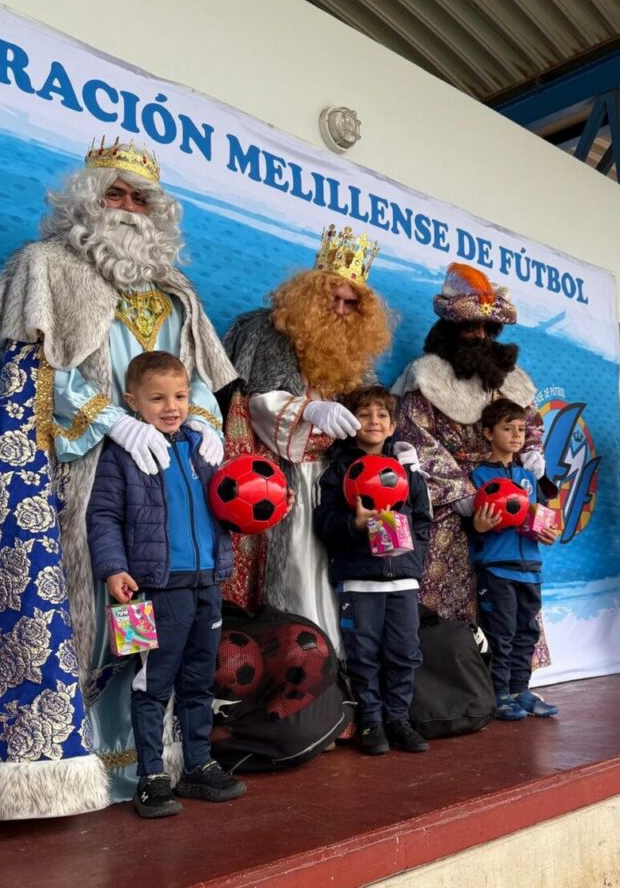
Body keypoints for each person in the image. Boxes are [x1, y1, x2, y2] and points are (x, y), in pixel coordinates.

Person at [0, 138, 237, 820]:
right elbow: (38, 377)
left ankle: (158, 764)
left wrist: (204, 423)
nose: (129, 209)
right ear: (86, 200)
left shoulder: (177, 294)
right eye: (116, 194)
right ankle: (78, 766)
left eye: (142, 200)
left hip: (172, 485)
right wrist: (112, 421)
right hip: (88, 477)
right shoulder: (44, 266)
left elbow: (197, 377)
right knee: (92, 616)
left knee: (165, 643)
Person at [86, 351, 245, 818]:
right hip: (155, 589)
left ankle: (198, 764)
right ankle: (151, 777)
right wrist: (113, 568)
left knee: (199, 682)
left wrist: (266, 499)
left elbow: (232, 503)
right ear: (133, 401)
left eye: (179, 396)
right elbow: (104, 516)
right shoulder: (123, 454)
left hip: (207, 584)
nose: (171, 406)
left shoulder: (201, 448)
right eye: (158, 398)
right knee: (151, 684)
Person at [223, 224, 394, 652]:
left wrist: (388, 451)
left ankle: (341, 668)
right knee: (296, 571)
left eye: (349, 303)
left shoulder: (355, 355)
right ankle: (302, 660)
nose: (339, 309)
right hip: (281, 475)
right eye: (330, 298)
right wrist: (306, 409)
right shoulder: (264, 331)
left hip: (334, 480)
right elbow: (251, 402)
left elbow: (367, 416)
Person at [392, 263, 551, 667]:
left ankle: (513, 685)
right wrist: (461, 492)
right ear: (449, 331)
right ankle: (458, 686)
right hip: (452, 508)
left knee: (517, 596)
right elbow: (413, 437)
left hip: (510, 504)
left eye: (486, 329)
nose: (479, 336)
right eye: (470, 328)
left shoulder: (510, 379)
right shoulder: (423, 376)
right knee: (447, 590)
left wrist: (532, 451)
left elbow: (528, 423)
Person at [314, 386, 432, 755]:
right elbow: (324, 523)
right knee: (363, 654)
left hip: (403, 581)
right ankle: (370, 722)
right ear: (350, 422)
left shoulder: (408, 473)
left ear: (394, 425)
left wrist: (413, 561)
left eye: (382, 415)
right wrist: (355, 523)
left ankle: (398, 719)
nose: (374, 421)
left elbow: (424, 522)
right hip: (358, 580)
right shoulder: (336, 472)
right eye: (364, 414)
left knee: (403, 651)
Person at [468, 399, 559, 720]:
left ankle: (521, 689)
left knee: (527, 633)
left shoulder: (529, 477)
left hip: (531, 569)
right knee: (501, 633)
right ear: (488, 433)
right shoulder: (478, 475)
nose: (517, 435)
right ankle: (499, 694)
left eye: (521, 429)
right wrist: (479, 526)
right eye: (508, 429)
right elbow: (475, 524)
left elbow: (540, 520)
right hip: (497, 568)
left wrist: (548, 532)